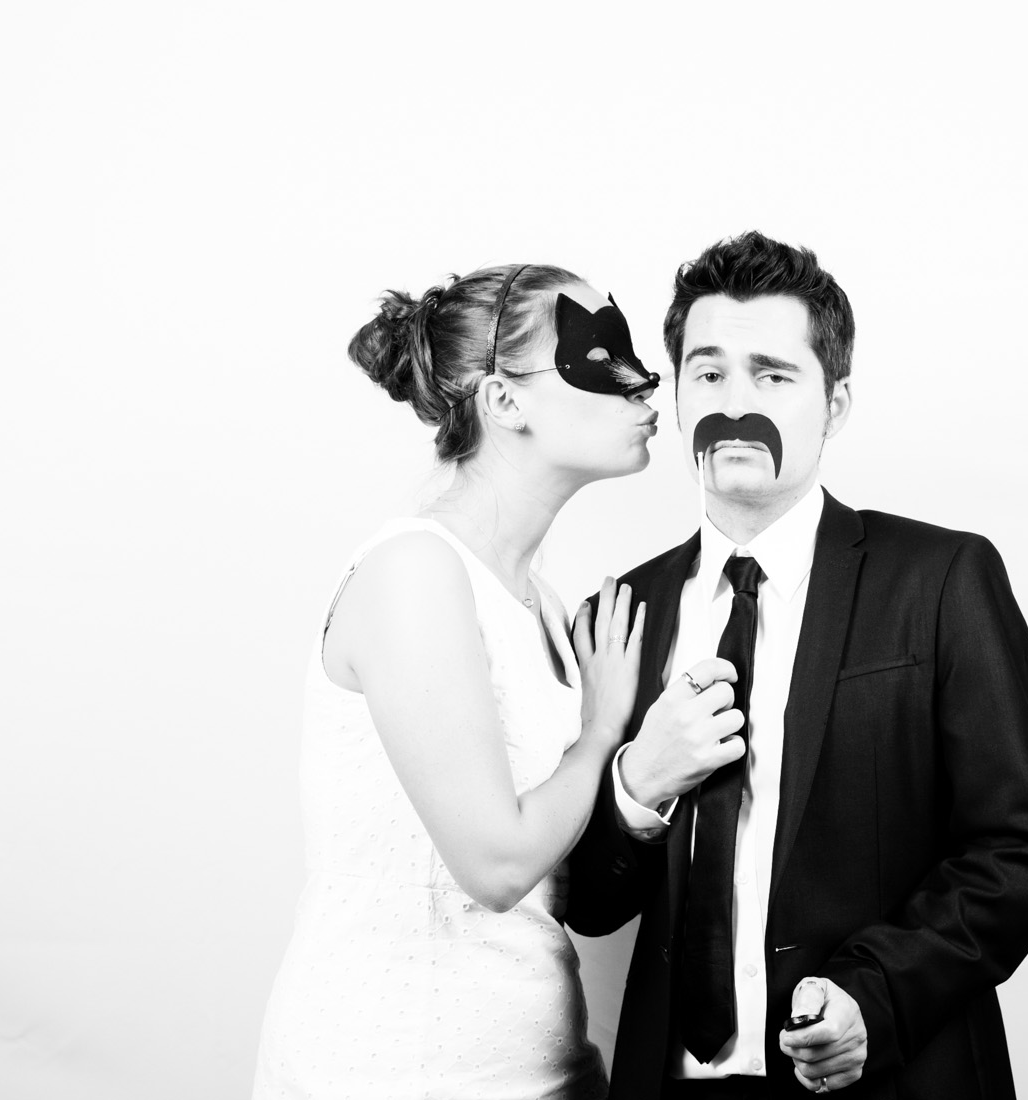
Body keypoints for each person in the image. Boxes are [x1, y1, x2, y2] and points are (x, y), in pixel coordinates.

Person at [566, 233, 1028, 1099]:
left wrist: (876, 995)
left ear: (835, 404)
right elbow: (589, 903)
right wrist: (636, 786)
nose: (735, 403)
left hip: (888, 1078)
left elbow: (1024, 848)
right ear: (679, 397)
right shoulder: (620, 615)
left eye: (772, 376)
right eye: (708, 373)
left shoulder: (942, 580)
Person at [252, 264, 733, 1099]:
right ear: (505, 401)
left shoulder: (546, 606)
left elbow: (563, 881)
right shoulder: (413, 573)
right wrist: (601, 733)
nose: (644, 383)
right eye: (600, 358)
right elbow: (499, 864)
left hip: (542, 1070)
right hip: (390, 1074)